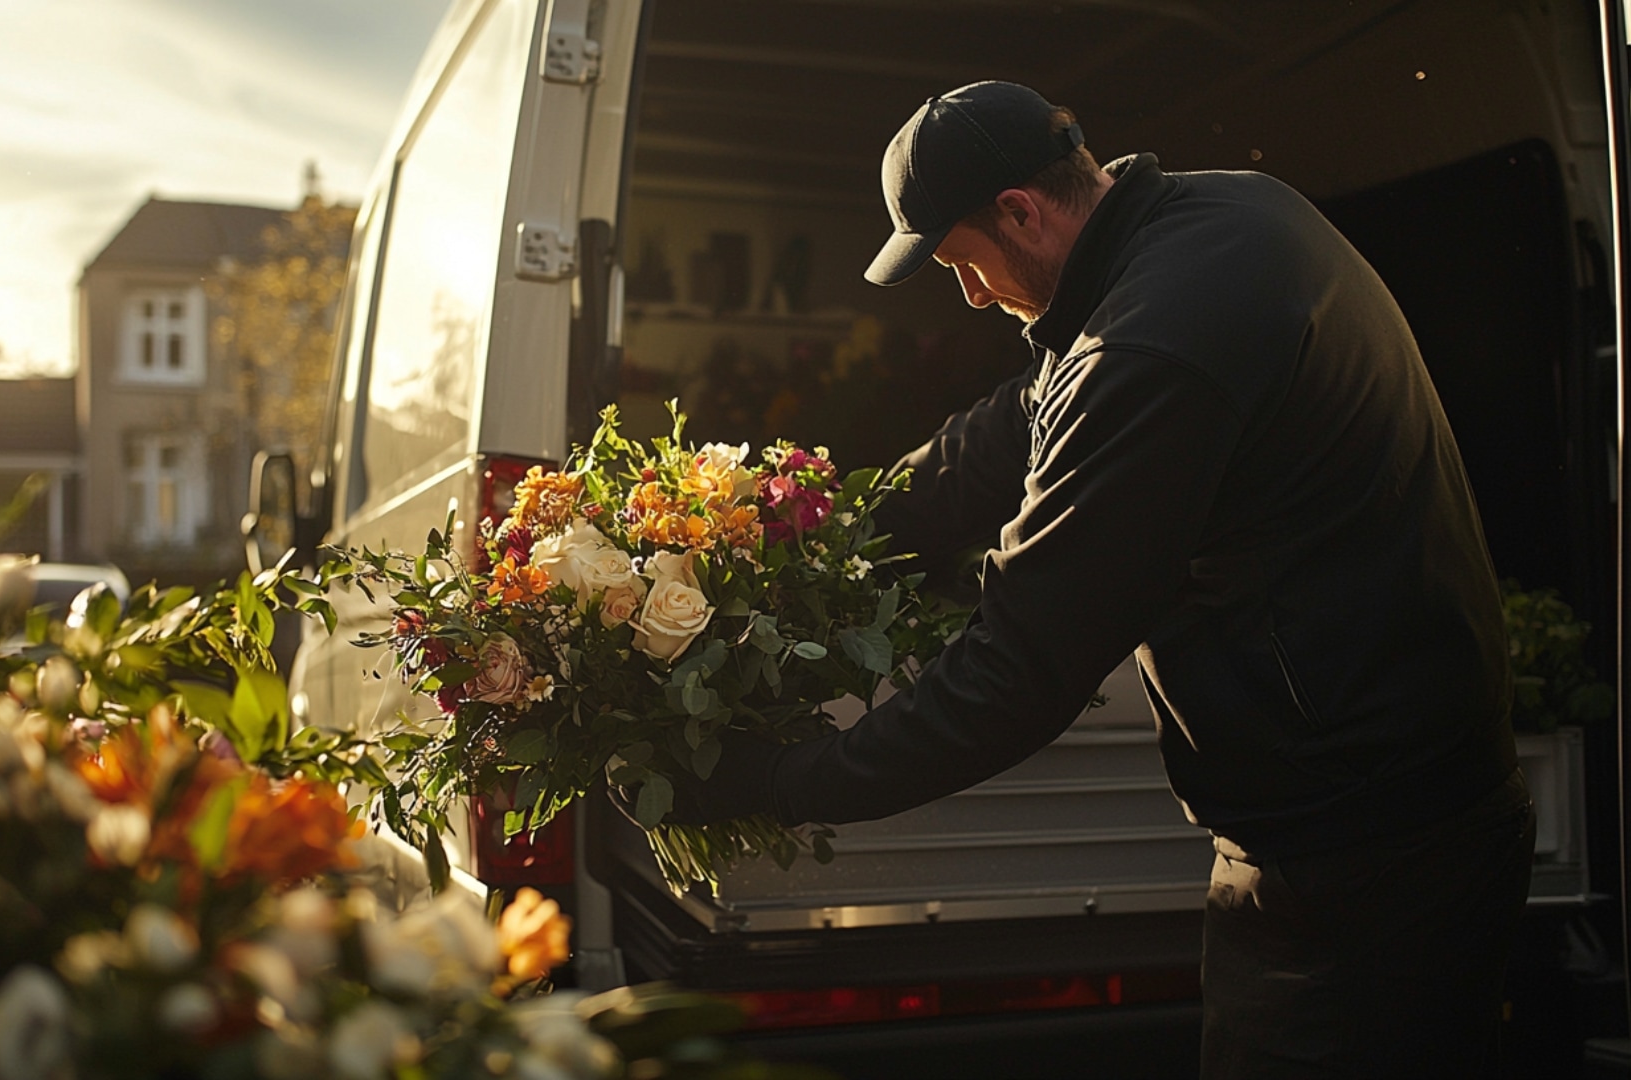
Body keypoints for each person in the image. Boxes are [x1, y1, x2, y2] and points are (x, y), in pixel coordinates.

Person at [626, 81, 1536, 1077]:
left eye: (960, 264)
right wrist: (824, 529)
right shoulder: (1222, 218)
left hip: (1361, 869)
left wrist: (779, 780)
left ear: (1020, 211)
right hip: (1401, 825)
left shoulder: (1151, 342)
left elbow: (1017, 671)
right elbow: (1026, 415)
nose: (969, 295)